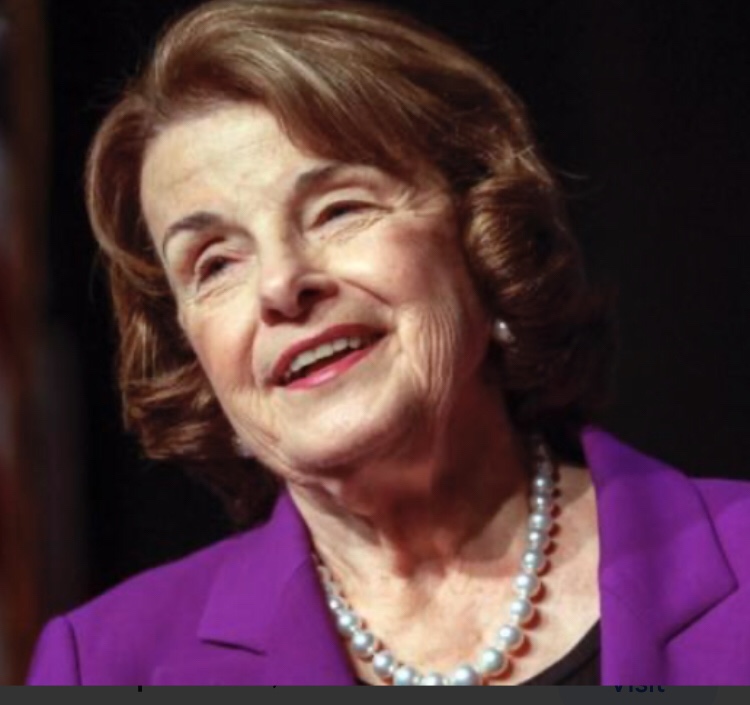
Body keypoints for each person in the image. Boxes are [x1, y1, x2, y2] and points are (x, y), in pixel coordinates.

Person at [27, 0, 750, 686]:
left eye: (338, 210)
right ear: (193, 355)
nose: (282, 284)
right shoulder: (106, 667)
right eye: (215, 263)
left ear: (482, 236)